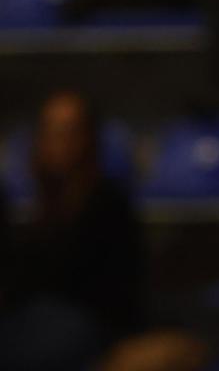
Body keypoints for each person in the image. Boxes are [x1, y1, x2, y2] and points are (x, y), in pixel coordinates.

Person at [0, 92, 144, 369]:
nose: (59, 142)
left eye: (68, 131)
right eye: (50, 131)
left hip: (88, 323)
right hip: (32, 319)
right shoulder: (37, 204)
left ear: (88, 138)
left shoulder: (108, 204)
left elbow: (110, 294)